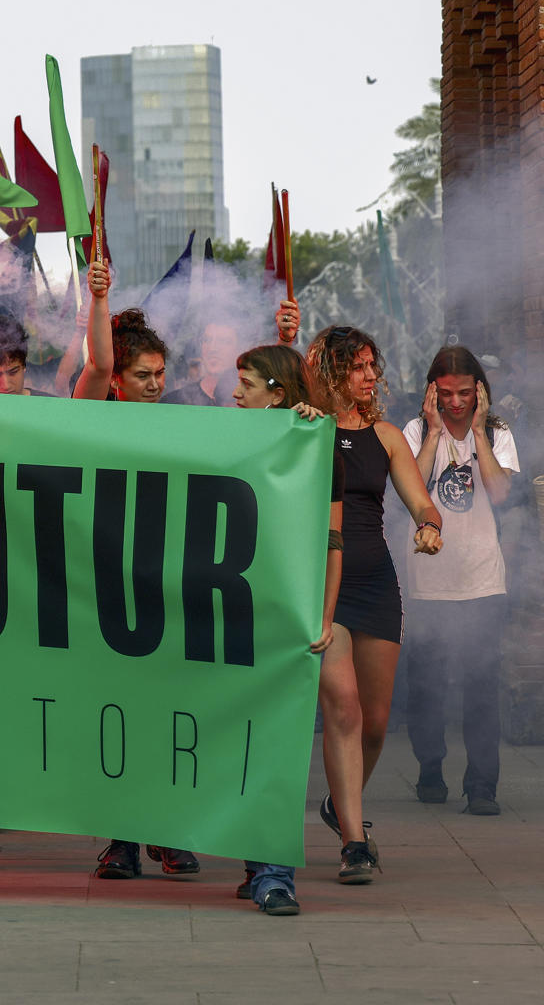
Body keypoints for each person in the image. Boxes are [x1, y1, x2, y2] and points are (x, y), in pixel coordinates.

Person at [70, 273, 203, 878]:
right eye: (144, 376)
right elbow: (94, 363)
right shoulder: (91, 417)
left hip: (166, 589)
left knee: (166, 711)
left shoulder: (182, 423)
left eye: (160, 374)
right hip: (105, 591)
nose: (157, 385)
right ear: (117, 382)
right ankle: (122, 838)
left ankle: (169, 829)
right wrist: (99, 300)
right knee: (115, 717)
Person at [304, 326, 442, 864]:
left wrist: (430, 525)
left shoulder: (386, 436)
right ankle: (353, 840)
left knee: (377, 722)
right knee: (344, 709)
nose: (370, 376)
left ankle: (340, 802)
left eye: (371, 366)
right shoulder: (306, 426)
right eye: (358, 366)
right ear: (333, 371)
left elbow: (420, 501)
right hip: (324, 585)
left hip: (377, 583)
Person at [230, 344, 354, 912]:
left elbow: (333, 542)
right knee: (244, 745)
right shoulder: (223, 438)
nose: (236, 393)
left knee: (277, 743)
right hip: (231, 617)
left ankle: (274, 875)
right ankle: (259, 864)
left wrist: (323, 617)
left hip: (286, 620)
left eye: (247, 383)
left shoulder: (317, 446)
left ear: (276, 393)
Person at [401, 345, 517, 815]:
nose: (455, 403)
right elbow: (413, 485)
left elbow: (501, 492)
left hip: (483, 578)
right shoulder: (412, 430)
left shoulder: (497, 430)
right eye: (445, 394)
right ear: (432, 391)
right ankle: (430, 768)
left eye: (465, 393)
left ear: (480, 392)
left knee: (481, 682)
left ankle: (482, 784)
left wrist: (479, 436)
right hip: (429, 579)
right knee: (427, 684)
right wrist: (432, 432)